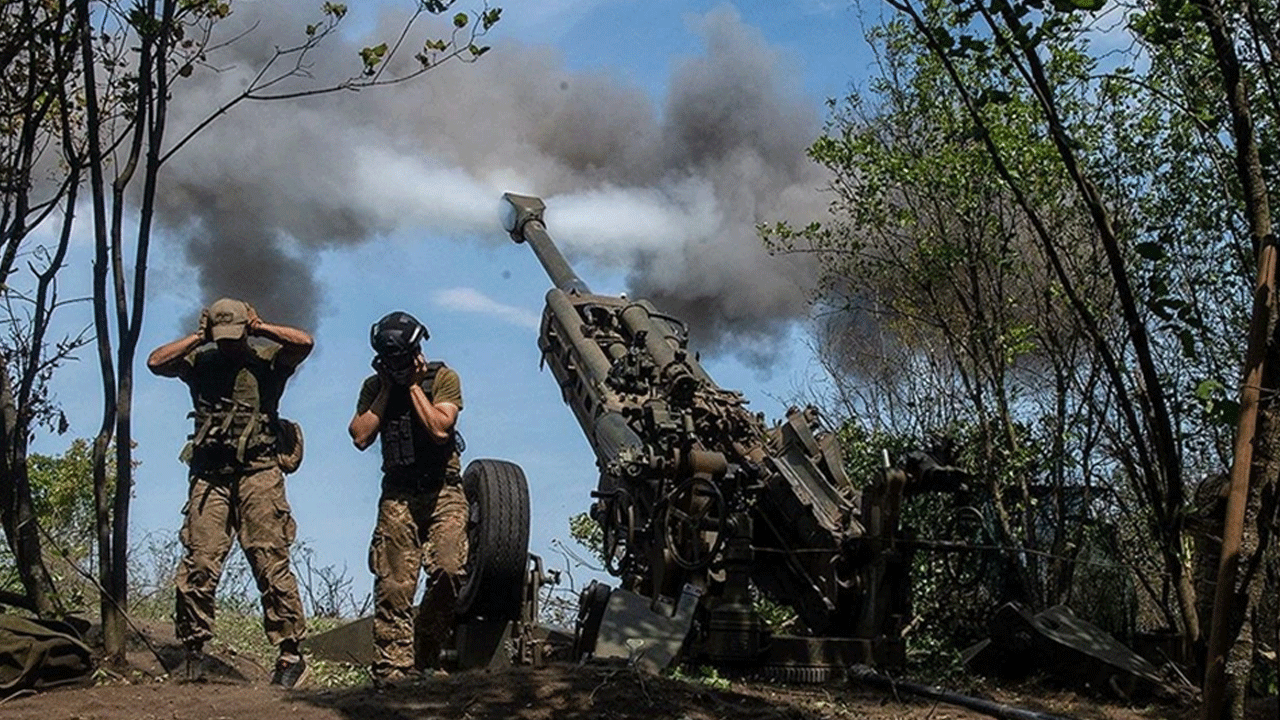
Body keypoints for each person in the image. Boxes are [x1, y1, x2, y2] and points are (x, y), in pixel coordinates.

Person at [146, 297, 312, 688]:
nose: (228, 344)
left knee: (270, 563)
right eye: (221, 338)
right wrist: (197, 338)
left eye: (234, 336)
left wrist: (261, 326)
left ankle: (291, 655)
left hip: (259, 473)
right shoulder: (200, 362)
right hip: (210, 476)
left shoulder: (268, 360)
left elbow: (304, 343)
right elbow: (155, 363)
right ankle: (194, 652)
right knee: (199, 564)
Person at [348, 311, 467, 686]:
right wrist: (387, 389)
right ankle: (392, 668)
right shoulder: (373, 387)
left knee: (449, 569)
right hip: (398, 493)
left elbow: (438, 428)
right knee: (395, 583)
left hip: (443, 490)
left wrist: (414, 386)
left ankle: (426, 651)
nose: (397, 365)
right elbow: (360, 435)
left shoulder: (442, 379)